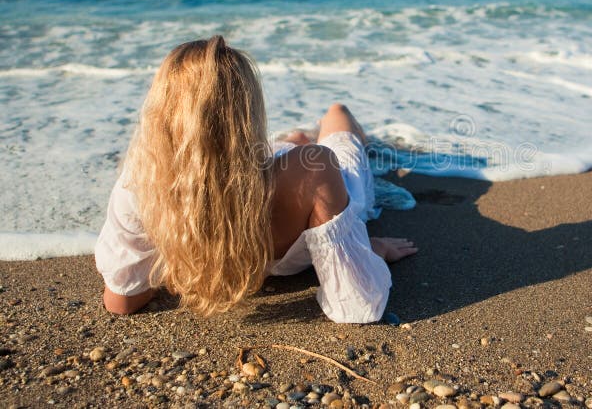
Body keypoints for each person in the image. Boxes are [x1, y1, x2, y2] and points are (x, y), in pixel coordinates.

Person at [94, 36, 418, 323]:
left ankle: (299, 141)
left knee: (300, 146)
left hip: (274, 171)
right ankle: (311, 139)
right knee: (337, 114)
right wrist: (364, 250)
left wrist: (180, 260)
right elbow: (359, 304)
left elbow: (122, 301)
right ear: (246, 110)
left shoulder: (143, 181)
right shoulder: (315, 168)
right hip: (319, 183)